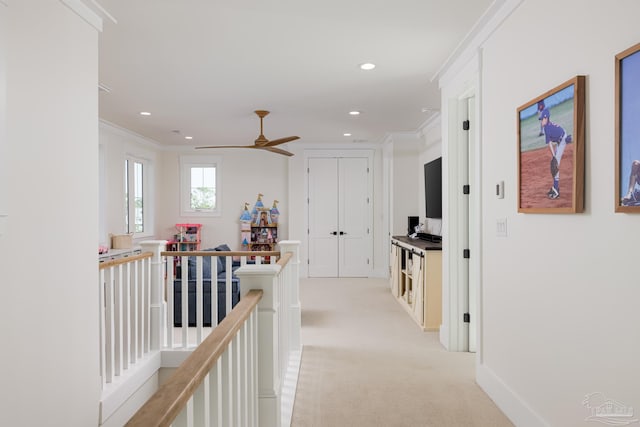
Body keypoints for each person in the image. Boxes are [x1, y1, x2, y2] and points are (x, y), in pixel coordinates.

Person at [539, 108, 572, 199]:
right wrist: (554, 156)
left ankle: (556, 190)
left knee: (555, 165)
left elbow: (550, 144)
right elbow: (550, 143)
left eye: (542, 119)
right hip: (561, 137)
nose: (541, 121)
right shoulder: (547, 126)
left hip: (561, 140)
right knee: (554, 163)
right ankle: (555, 187)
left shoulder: (547, 128)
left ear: (546, 118)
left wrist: (554, 156)